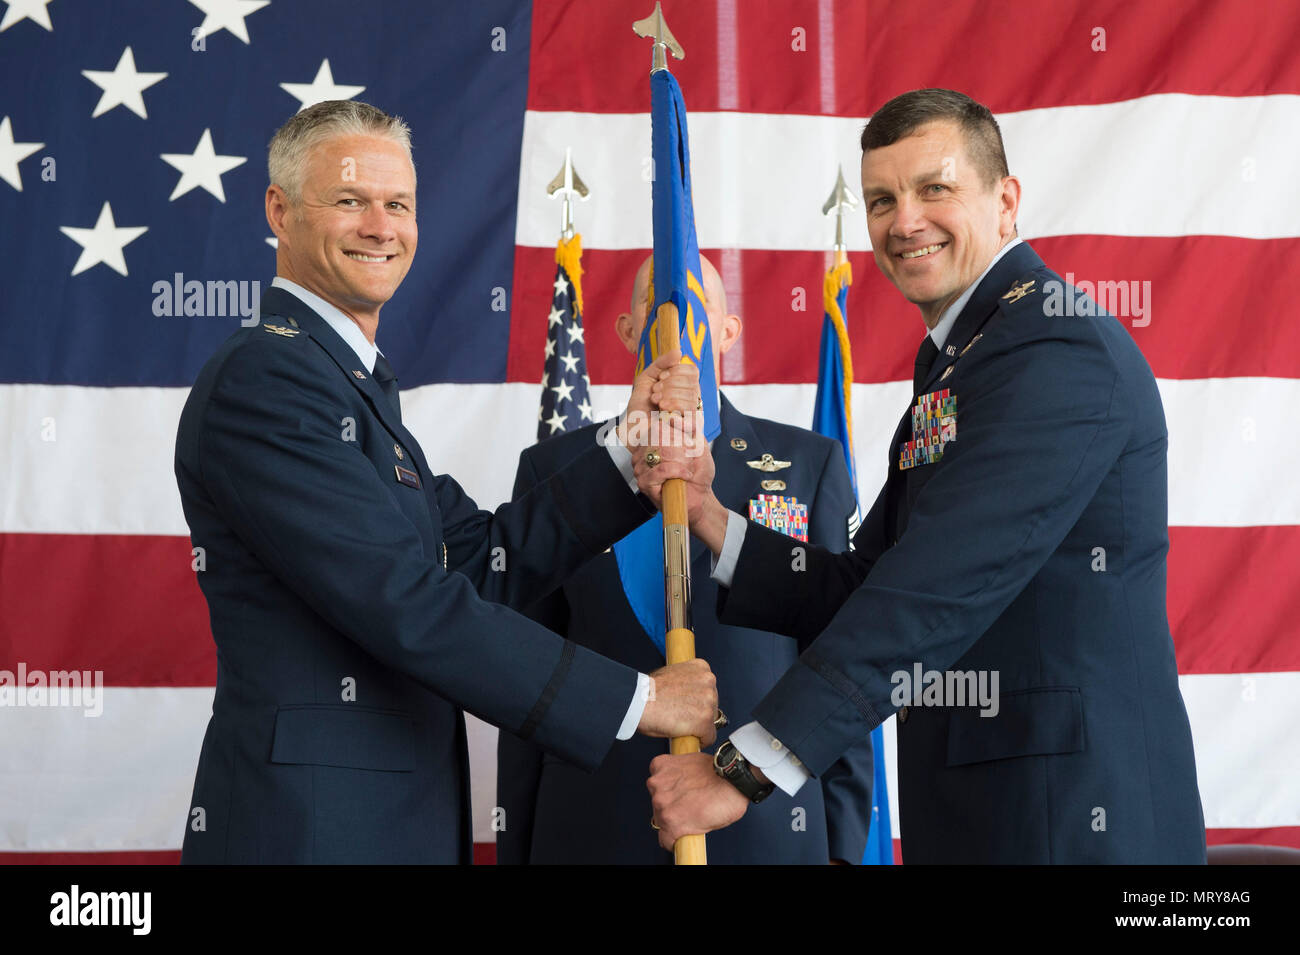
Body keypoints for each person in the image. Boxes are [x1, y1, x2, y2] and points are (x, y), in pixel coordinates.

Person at [644, 88, 1207, 864]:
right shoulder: (964, 355)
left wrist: (744, 768)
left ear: (1006, 201)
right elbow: (867, 585)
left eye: (933, 188)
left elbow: (933, 592)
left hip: (1072, 824)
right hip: (986, 816)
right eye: (882, 198)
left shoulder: (1054, 349)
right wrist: (710, 514)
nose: (903, 220)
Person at [173, 100, 719, 864]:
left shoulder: (346, 383)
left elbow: (477, 558)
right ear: (279, 211)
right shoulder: (266, 379)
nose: (380, 226)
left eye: (398, 204)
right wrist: (643, 700)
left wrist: (634, 450)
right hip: (313, 834)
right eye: (350, 201)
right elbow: (407, 602)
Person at [496, 256, 874, 864]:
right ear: (626, 330)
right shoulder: (554, 470)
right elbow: (524, 674)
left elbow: (844, 657)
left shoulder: (809, 465)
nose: (677, 322)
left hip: (766, 828)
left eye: (697, 306)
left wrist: (843, 848)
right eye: (659, 305)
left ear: (729, 331)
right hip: (591, 829)